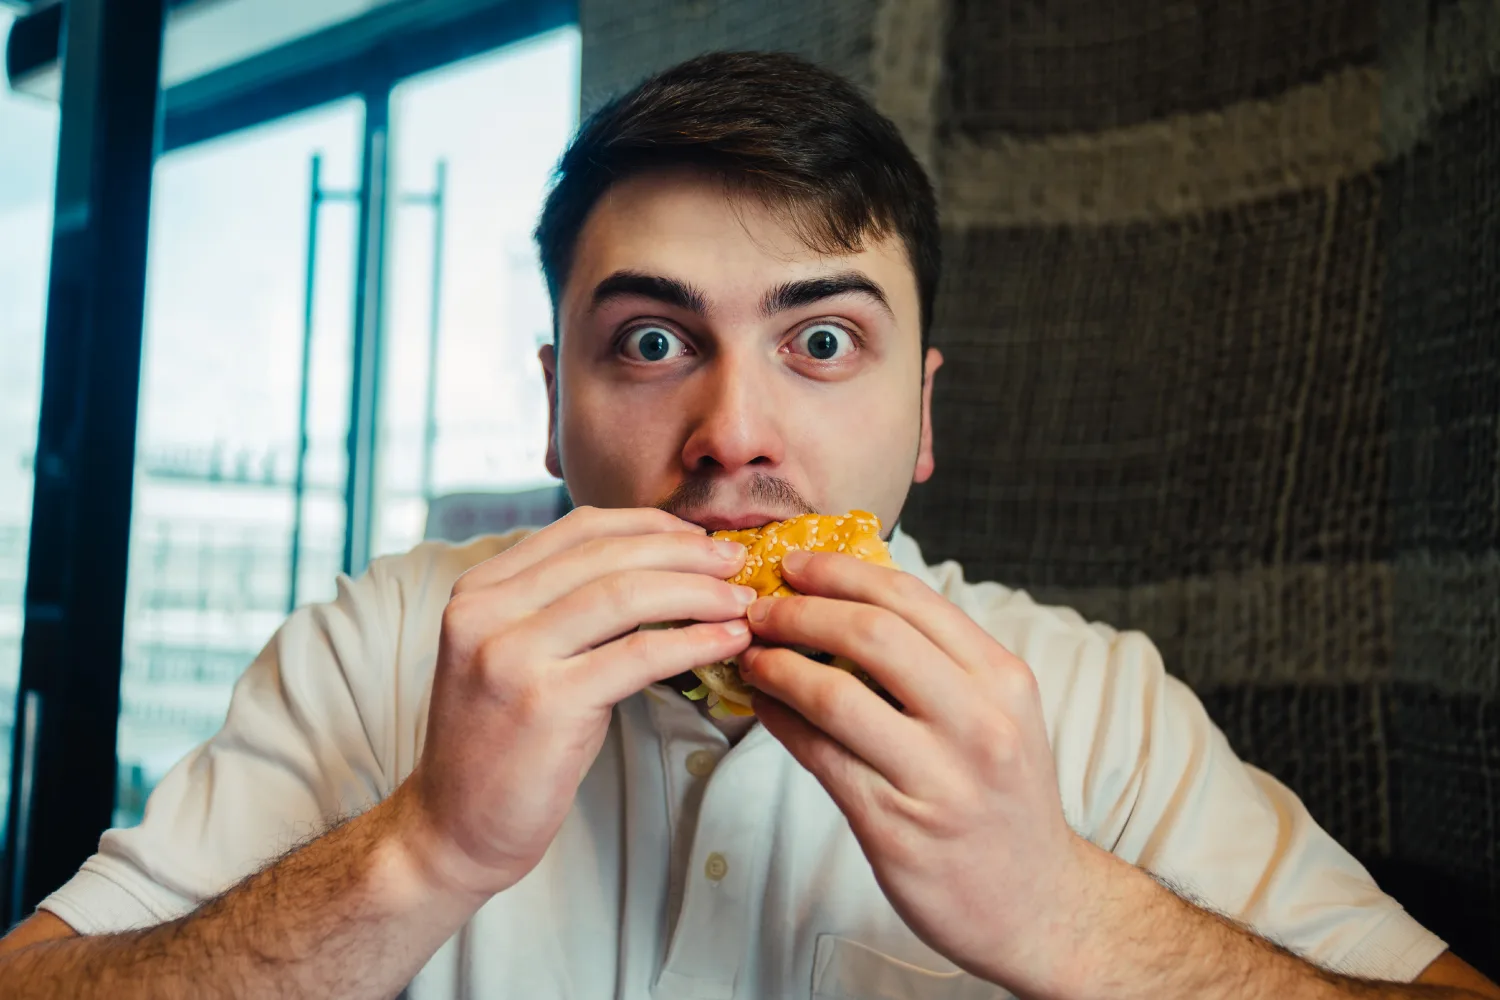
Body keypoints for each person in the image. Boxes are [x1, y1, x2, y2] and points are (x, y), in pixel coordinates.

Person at [1, 51, 1496, 1000]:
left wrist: (1064, 916)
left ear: (921, 415)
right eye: (652, 342)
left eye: (823, 342)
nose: (734, 435)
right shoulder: (388, 641)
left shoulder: (1091, 701)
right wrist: (421, 852)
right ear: (554, 407)